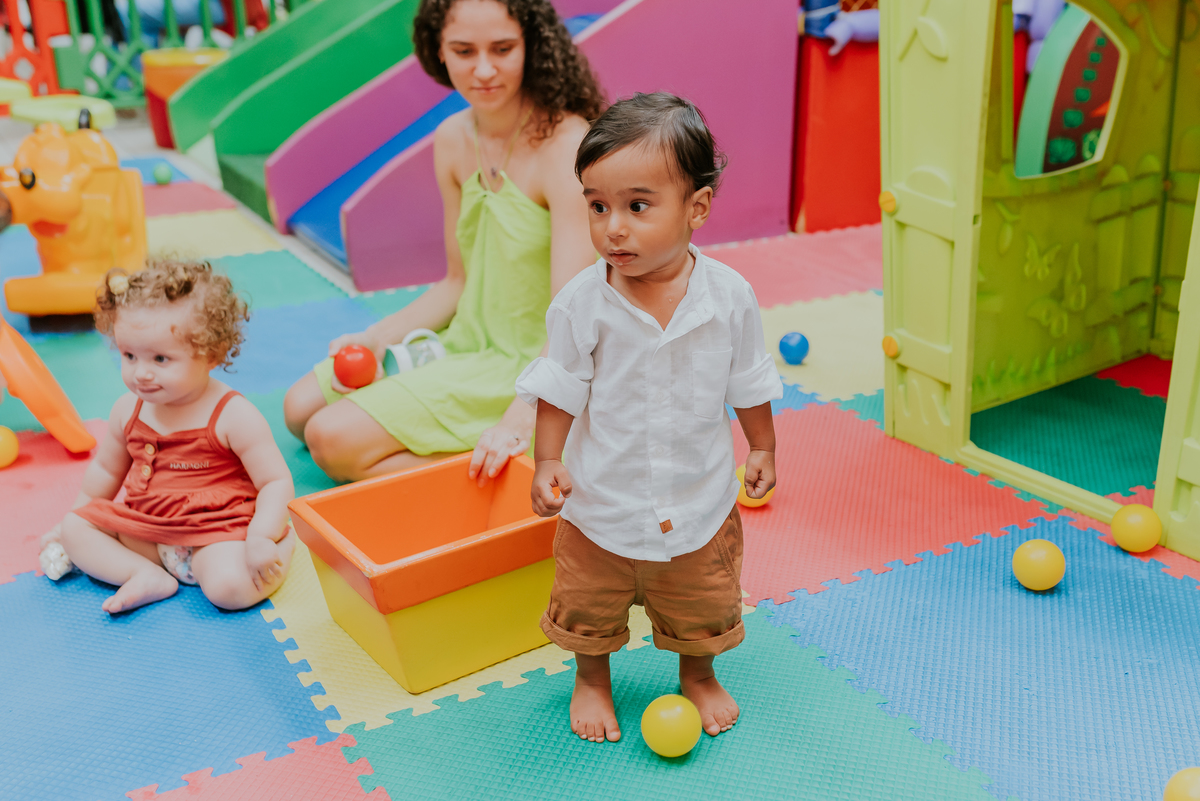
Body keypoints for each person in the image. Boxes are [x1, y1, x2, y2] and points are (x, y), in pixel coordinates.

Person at [515, 93, 783, 743]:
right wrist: (548, 458)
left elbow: (747, 378)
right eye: (597, 205)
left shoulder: (729, 297)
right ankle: (593, 678)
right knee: (589, 604)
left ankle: (697, 673)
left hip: (698, 499)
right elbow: (560, 385)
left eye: (637, 206)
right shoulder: (583, 301)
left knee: (703, 601)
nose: (612, 227)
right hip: (601, 502)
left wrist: (762, 447)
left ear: (697, 208)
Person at [282, 0, 603, 484]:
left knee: (330, 439)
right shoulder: (454, 138)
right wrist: (376, 337)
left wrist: (519, 419)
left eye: (502, 48)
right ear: (439, 52)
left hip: (531, 363)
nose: (484, 69)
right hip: (466, 343)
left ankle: (525, 464)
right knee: (298, 409)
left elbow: (572, 320)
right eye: (463, 50)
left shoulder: (564, 146)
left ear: (532, 46)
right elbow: (457, 281)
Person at [39, 260, 295, 614]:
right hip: (148, 528)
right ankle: (144, 574)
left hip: (217, 534)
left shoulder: (233, 415)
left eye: (160, 358)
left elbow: (275, 481)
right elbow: (105, 475)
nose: (141, 373)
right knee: (75, 527)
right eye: (129, 355)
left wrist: (262, 536)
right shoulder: (127, 410)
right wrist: (73, 519)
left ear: (211, 354)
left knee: (228, 590)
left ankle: (288, 544)